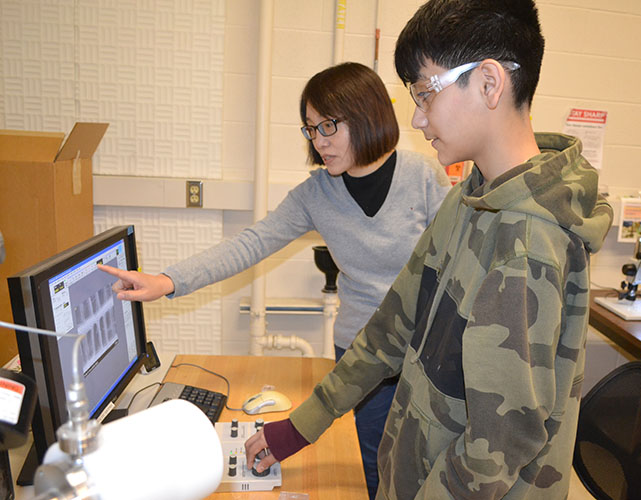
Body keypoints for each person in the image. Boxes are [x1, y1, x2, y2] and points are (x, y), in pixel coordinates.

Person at [245, 0, 614, 499]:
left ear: (488, 83)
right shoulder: (471, 198)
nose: (417, 119)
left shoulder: (526, 247)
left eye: (425, 93)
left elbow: (496, 449)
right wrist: (302, 425)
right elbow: (392, 325)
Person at [98, 62, 451, 499]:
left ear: (366, 116)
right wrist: (168, 281)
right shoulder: (317, 194)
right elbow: (250, 243)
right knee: (373, 466)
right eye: (310, 130)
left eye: (328, 126)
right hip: (361, 353)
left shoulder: (423, 177)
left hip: (422, 347)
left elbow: (455, 265)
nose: (318, 142)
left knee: (423, 463)